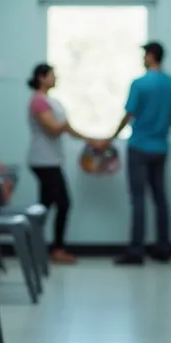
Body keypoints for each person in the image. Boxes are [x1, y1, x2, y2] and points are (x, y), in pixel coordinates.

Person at [106, 41, 171, 266]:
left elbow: (129, 114)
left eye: (144, 55)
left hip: (139, 147)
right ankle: (163, 248)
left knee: (138, 199)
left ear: (151, 56)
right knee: (161, 198)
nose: (142, 59)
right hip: (161, 147)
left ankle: (136, 252)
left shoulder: (139, 83)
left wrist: (111, 137)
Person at [27, 62, 102, 265]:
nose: (55, 78)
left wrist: (90, 140)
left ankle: (34, 246)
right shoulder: (38, 101)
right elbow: (53, 128)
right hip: (44, 161)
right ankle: (56, 249)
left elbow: (65, 128)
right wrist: (66, 126)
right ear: (41, 78)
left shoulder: (50, 101)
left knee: (46, 205)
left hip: (51, 160)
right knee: (63, 203)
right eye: (52, 75)